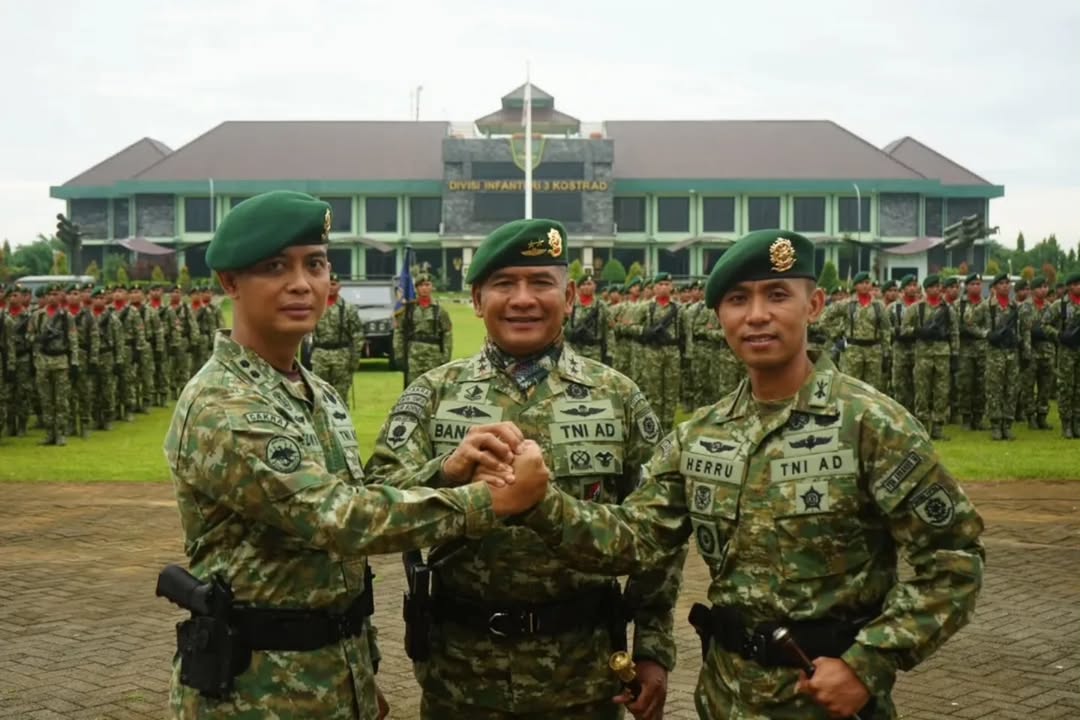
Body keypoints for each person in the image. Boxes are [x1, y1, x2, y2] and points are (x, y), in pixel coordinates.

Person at [516, 229, 985, 720]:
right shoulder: (699, 435)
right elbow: (635, 538)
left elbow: (954, 557)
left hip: (826, 705)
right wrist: (540, 503)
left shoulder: (871, 425)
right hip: (724, 700)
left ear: (814, 306)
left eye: (777, 295)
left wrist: (869, 662)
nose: (757, 315)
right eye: (738, 299)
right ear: (720, 316)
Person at [161, 190, 547, 720]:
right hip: (257, 691)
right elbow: (337, 519)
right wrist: (490, 502)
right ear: (231, 282)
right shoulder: (224, 404)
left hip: (329, 676)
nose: (302, 283)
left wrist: (447, 471)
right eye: (275, 267)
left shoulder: (313, 389)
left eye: (315, 264)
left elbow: (354, 501)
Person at [365, 218, 682, 720]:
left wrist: (653, 647)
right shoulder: (432, 394)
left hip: (583, 678)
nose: (523, 299)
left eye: (540, 283)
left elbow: (660, 529)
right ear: (477, 299)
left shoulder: (619, 397)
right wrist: (446, 471)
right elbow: (373, 505)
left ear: (569, 296)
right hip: (460, 678)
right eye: (504, 284)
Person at [630, 272, 687, 434]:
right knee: (653, 393)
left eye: (667, 284)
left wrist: (687, 355)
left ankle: (668, 430)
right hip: (652, 353)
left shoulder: (679, 309)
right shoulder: (646, 307)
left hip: (672, 353)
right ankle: (654, 430)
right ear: (654, 287)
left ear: (672, 287)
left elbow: (686, 333)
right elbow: (630, 327)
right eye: (660, 284)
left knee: (671, 394)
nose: (663, 287)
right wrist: (645, 331)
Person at [903, 275, 958, 440]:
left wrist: (955, 354)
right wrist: (919, 331)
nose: (936, 289)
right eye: (933, 287)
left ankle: (938, 428)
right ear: (926, 289)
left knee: (942, 391)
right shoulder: (916, 308)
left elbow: (954, 333)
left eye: (938, 286)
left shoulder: (947, 309)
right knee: (922, 391)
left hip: (942, 353)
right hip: (923, 354)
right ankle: (922, 427)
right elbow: (904, 328)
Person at [310, 272, 364, 404]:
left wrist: (354, 360)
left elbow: (357, 335)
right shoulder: (313, 307)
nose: (330, 287)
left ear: (340, 286)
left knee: (340, 397)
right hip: (320, 355)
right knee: (319, 396)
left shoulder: (348, 308)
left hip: (341, 356)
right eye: (328, 284)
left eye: (334, 284)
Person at [393, 272, 453, 387]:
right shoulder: (408, 310)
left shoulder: (439, 311)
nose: (424, 288)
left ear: (432, 287)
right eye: (421, 285)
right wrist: (399, 355)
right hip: (413, 357)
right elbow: (399, 332)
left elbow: (447, 334)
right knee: (413, 389)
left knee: (433, 389)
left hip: (434, 358)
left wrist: (446, 357)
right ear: (416, 288)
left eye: (427, 285)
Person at [1042, 271, 1080, 438]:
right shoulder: (1060, 305)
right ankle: (1066, 424)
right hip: (1066, 351)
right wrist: (1058, 335)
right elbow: (1044, 324)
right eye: (1077, 284)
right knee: (1066, 387)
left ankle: (1077, 422)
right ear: (1070, 287)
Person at [563, 273, 608, 363]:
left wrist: (609, 353)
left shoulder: (601, 306)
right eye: (583, 284)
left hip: (593, 352)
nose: (586, 287)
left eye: (589, 284)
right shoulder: (571, 304)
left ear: (595, 286)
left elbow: (608, 330)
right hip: (573, 350)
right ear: (579, 288)